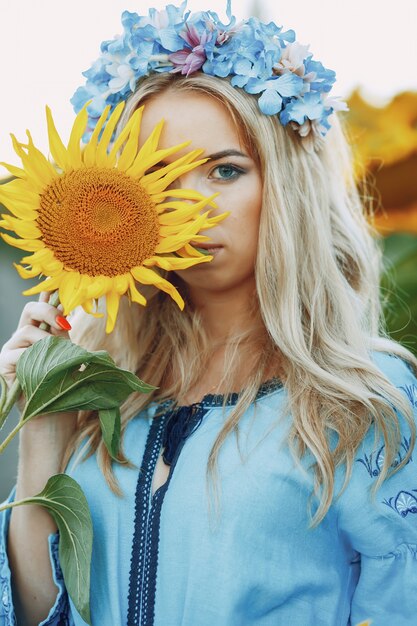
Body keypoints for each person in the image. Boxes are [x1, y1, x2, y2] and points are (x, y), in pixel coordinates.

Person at [1, 3, 417, 626]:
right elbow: (36, 614)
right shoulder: (99, 385)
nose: (189, 209)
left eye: (225, 171)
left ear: (286, 186)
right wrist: (41, 437)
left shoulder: (363, 400)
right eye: (161, 175)